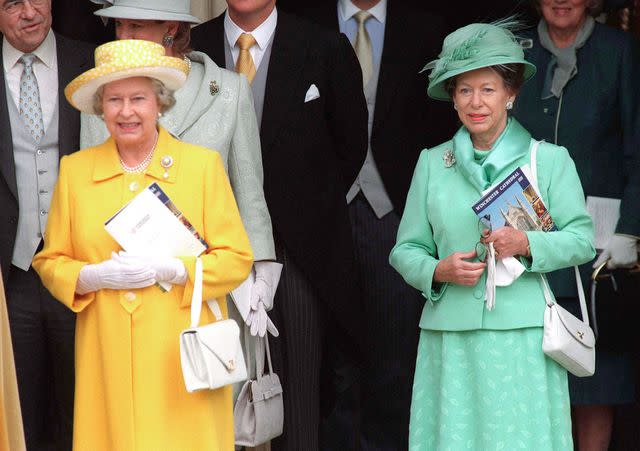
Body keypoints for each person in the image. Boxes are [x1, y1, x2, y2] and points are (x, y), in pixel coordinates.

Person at [32, 39, 254, 450]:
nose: (126, 111)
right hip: (107, 354)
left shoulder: (201, 167)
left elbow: (237, 259)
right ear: (101, 108)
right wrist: (91, 275)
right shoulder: (76, 172)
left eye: (138, 98)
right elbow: (51, 260)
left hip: (180, 355)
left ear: (160, 102)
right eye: (114, 100)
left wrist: (179, 269)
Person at [389, 21, 596, 450]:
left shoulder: (550, 160)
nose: (476, 102)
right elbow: (405, 249)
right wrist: (436, 270)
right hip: (449, 338)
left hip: (523, 337)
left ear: (510, 94)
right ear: (452, 98)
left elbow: (581, 240)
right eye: (464, 90)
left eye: (488, 89)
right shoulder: (431, 163)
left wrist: (527, 244)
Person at [190, 1, 369, 449]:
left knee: (299, 392)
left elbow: (350, 147)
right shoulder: (196, 43)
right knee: (215, 383)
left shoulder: (325, 47)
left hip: (300, 252)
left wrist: (298, 210)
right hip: (209, 246)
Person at [81, 0, 279, 395]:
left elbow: (249, 191)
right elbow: (95, 191)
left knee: (209, 414)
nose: (124, 36)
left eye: (137, 26)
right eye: (119, 25)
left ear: (170, 27)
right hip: (134, 285)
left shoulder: (229, 90)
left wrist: (262, 268)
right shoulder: (102, 93)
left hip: (209, 286)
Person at [288, 1, 454, 449]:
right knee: (325, 360)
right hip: (320, 216)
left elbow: (441, 124)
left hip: (399, 217)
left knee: (396, 358)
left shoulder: (427, 25)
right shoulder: (302, 19)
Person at [513, 1, 640, 450]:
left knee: (593, 384)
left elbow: (636, 147)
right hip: (525, 244)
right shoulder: (515, 49)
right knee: (531, 383)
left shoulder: (619, 51)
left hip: (597, 250)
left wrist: (631, 228)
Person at [0, 0, 94, 448]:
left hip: (80, 270)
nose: (28, 11)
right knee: (20, 413)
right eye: (11, 3)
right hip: (10, 274)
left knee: (82, 408)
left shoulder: (90, 61)